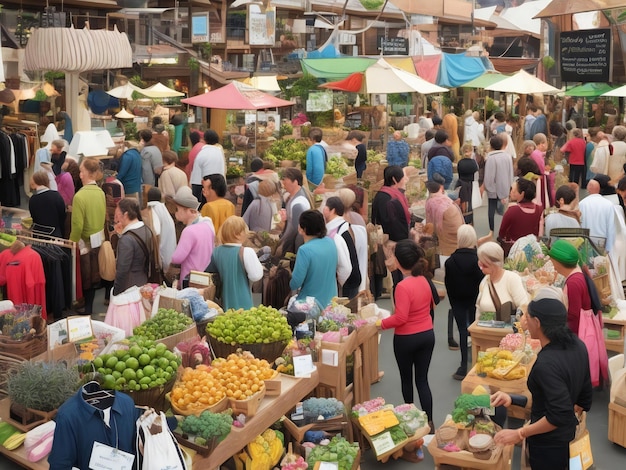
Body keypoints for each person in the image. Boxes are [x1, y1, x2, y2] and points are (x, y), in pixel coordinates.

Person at [491, 295, 592, 470]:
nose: (524, 321)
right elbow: (581, 398)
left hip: (548, 445)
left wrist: (520, 433)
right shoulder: (578, 345)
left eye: (527, 317)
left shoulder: (546, 364)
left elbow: (557, 415)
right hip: (567, 437)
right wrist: (513, 399)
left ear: (537, 322)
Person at [377, 239, 435, 431]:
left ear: (400, 262)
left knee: (406, 379)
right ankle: (430, 422)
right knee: (423, 380)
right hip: (427, 334)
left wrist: (380, 324)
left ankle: (411, 420)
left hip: (406, 338)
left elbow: (401, 318)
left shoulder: (402, 286)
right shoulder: (424, 280)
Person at [445, 225, 484, 380]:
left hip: (458, 300)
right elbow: (482, 282)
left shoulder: (450, 262)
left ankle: (463, 366)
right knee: (476, 330)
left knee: (462, 330)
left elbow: (449, 285)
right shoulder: (478, 260)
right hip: (474, 300)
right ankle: (478, 363)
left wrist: (453, 302)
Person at [69, 157, 106, 315]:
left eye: (82, 171)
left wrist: (73, 242)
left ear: (88, 173)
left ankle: (87, 307)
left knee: (85, 275)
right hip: (99, 238)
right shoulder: (100, 192)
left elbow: (77, 225)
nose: (80, 174)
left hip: (85, 241)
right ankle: (89, 305)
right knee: (95, 273)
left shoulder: (79, 196)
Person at [207, 216, 263, 310]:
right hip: (243, 300)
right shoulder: (246, 252)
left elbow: (210, 272)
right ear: (238, 234)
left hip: (223, 301)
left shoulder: (215, 252)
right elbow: (256, 276)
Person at [371, 165, 410, 289]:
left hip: (391, 241)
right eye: (403, 177)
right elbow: (392, 224)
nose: (405, 180)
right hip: (392, 244)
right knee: (396, 279)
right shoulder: (389, 199)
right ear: (394, 179)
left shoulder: (383, 194)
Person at [289, 210, 338, 308]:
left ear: (302, 229)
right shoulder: (330, 242)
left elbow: (295, 283)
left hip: (310, 305)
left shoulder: (304, 250)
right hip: (331, 301)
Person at [170, 186, 216, 287]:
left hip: (190, 279)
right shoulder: (208, 224)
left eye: (178, 209)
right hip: (205, 276)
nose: (176, 213)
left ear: (190, 211)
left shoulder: (189, 231)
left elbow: (177, 258)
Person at [323, 196, 367, 300]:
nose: (323, 209)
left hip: (347, 282)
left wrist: (340, 282)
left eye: (325, 207)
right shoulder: (340, 227)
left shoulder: (339, 231)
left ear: (332, 210)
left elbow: (346, 268)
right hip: (350, 280)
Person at [475, 242, 529, 320]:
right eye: (479, 264)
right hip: (485, 329)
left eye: (484, 265)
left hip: (506, 331)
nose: (481, 268)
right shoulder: (485, 281)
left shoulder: (512, 279)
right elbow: (478, 309)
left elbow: (524, 306)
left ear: (495, 264)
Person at [112, 198, 152, 295]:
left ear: (125, 215)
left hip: (129, 288)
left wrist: (115, 292)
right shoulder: (146, 229)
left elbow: (122, 271)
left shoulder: (126, 240)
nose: (116, 219)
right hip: (143, 281)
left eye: (117, 215)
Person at [484, 134, 514, 237]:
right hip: (505, 187)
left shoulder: (491, 158)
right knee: (504, 210)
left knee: (491, 209)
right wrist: (510, 186)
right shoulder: (508, 156)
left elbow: (489, 177)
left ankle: (492, 230)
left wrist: (489, 188)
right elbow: (511, 173)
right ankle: (504, 229)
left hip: (494, 189)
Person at [498, 178, 543, 247]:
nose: (510, 193)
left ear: (522, 194)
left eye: (513, 191)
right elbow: (540, 234)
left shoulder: (512, 210)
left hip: (513, 248)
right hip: (532, 247)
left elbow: (501, 233)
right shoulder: (539, 209)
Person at [277, 168, 311, 256]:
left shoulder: (298, 203)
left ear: (295, 182)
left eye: (286, 180)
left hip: (296, 245)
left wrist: (283, 243)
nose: (283, 183)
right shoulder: (294, 196)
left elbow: (297, 230)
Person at [425, 180, 464, 257]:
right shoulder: (445, 199)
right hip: (458, 233)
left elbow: (430, 225)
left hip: (448, 237)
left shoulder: (431, 202)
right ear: (441, 188)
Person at [142, 187, 176, 272]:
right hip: (169, 254)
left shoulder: (150, 211)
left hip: (158, 257)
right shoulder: (164, 211)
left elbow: (154, 235)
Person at [579, 178, 616, 253]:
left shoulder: (582, 204)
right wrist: (609, 248)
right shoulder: (609, 204)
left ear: (588, 188)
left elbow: (580, 224)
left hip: (586, 240)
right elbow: (611, 227)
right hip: (602, 241)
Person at [190, 129, 226, 203]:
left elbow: (196, 175)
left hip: (202, 187)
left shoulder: (202, 153)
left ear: (204, 139)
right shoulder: (219, 152)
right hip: (218, 186)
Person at [28, 170, 66, 238]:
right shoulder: (56, 195)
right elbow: (62, 216)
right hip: (55, 234)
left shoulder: (32, 199)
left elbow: (34, 218)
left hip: (39, 234)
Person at [456, 143, 479, 224]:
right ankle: (470, 219)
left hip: (461, 184)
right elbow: (476, 171)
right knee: (470, 202)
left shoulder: (460, 162)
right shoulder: (473, 163)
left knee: (462, 201)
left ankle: (462, 218)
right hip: (470, 184)